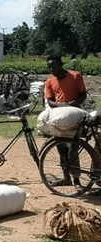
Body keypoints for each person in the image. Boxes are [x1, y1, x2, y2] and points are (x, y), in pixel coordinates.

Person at [44, 54, 87, 191]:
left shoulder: (75, 76)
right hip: (59, 119)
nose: (52, 69)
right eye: (49, 67)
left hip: (74, 118)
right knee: (61, 149)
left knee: (72, 149)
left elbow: (83, 94)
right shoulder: (49, 81)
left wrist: (74, 104)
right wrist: (60, 105)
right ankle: (66, 178)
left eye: (54, 66)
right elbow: (50, 101)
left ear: (61, 64)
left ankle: (76, 180)